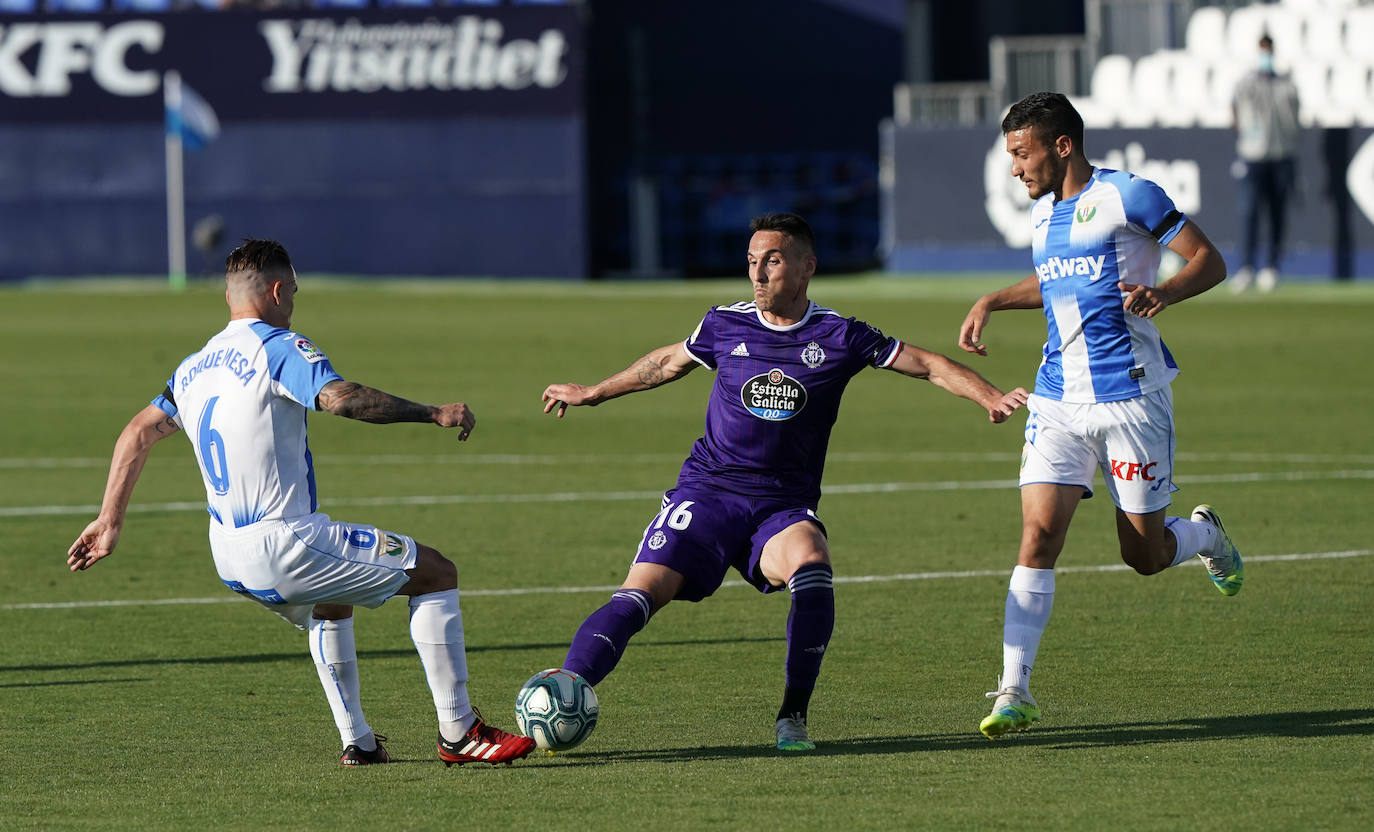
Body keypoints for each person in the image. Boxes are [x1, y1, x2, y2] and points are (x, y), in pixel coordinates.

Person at [541, 213, 1029, 751]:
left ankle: (792, 716)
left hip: (780, 507)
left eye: (771, 260)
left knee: (812, 567)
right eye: (752, 262)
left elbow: (929, 365)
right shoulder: (723, 324)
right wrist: (593, 392)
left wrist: (989, 396)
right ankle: (568, 686)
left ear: (805, 267)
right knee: (639, 596)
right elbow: (663, 365)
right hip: (706, 494)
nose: (758, 274)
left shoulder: (840, 335)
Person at [66, 239, 535, 767]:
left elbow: (137, 432)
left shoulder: (193, 368)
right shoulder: (278, 348)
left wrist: (109, 520)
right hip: (286, 544)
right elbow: (343, 399)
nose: (292, 304)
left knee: (330, 602)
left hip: (228, 553)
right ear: (275, 290)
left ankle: (358, 742)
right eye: (292, 292)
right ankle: (460, 731)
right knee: (436, 572)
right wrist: (433, 413)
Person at [957, 92, 1245, 740]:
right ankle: (1015, 689)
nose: (1014, 169)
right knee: (1038, 536)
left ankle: (1206, 537)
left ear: (1062, 145)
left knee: (1142, 556)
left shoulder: (1128, 195)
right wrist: (994, 299)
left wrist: (1164, 291)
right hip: (1058, 397)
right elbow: (1059, 284)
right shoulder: (1044, 219)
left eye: (1021, 153)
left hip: (1132, 398)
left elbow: (1209, 259)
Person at [1229, 33, 1301, 293]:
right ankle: (1246, 267)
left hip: (1281, 155)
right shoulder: (1246, 82)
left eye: (1268, 49)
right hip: (1253, 156)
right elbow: (1234, 108)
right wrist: (1242, 135)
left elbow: (1295, 115)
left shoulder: (1286, 84)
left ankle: (1271, 266)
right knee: (1249, 212)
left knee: (1277, 213)